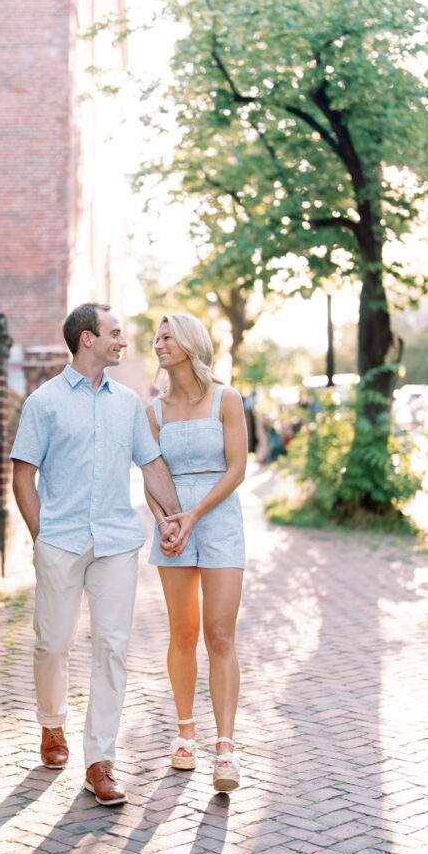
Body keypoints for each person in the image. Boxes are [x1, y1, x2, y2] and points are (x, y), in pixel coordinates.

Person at [11, 303, 183, 806]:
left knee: (111, 648)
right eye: (114, 332)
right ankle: (52, 723)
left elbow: (150, 465)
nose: (122, 341)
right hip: (60, 541)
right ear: (87, 339)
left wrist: (175, 519)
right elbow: (23, 474)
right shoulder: (43, 403)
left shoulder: (127, 403)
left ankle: (99, 761)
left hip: (115, 543)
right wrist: (41, 536)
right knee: (53, 643)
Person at [145, 314, 247, 792]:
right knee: (182, 632)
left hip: (219, 519)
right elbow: (150, 472)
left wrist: (196, 514)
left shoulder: (227, 400)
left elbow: (237, 468)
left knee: (220, 634)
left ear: (189, 343)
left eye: (167, 337)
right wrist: (167, 520)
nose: (158, 343)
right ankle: (185, 733)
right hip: (173, 526)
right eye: (158, 337)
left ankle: (225, 747)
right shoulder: (154, 411)